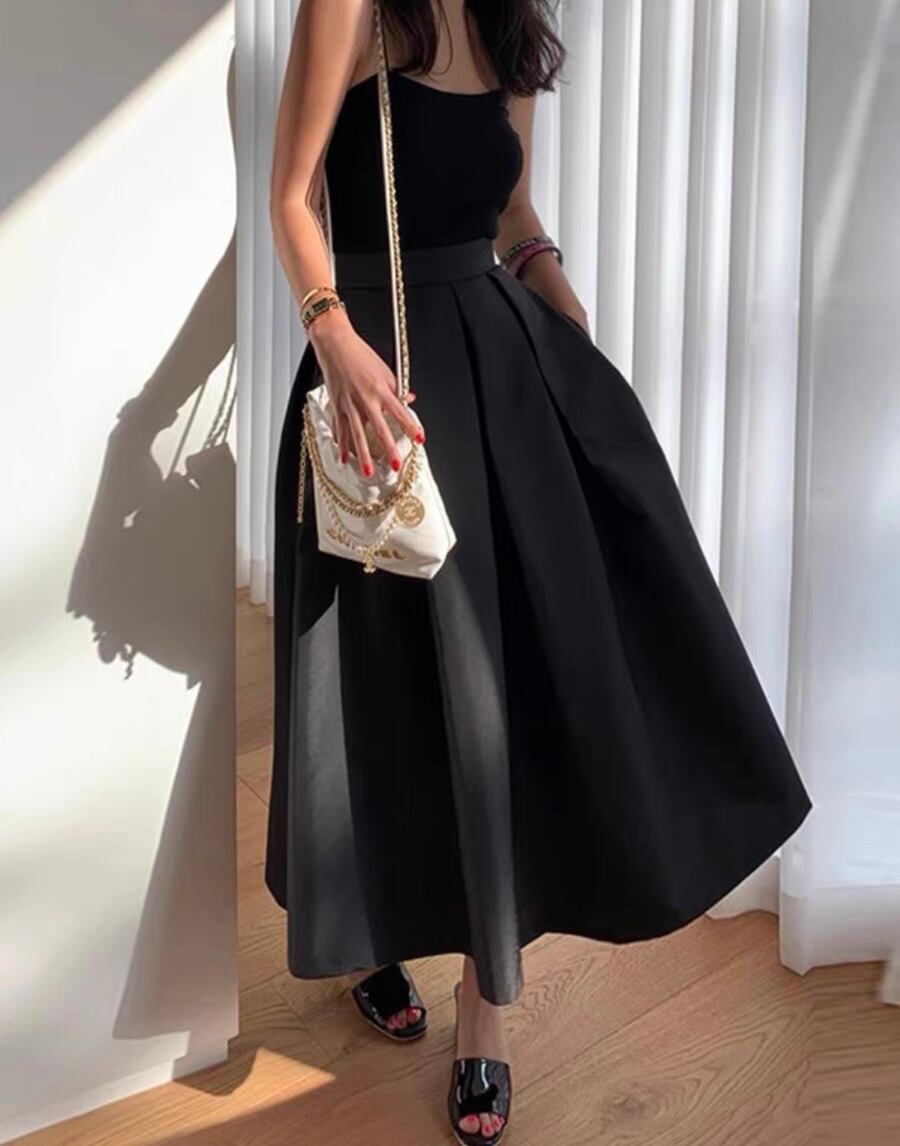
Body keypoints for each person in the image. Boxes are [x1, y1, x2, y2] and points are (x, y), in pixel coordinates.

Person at [265, 2, 813, 1142]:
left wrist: (554, 290)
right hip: (383, 388)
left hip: (505, 373)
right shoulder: (351, 10)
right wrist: (332, 332)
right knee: (380, 686)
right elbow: (292, 197)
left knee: (501, 693)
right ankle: (370, 927)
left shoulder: (512, 22)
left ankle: (487, 1009)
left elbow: (513, 213)